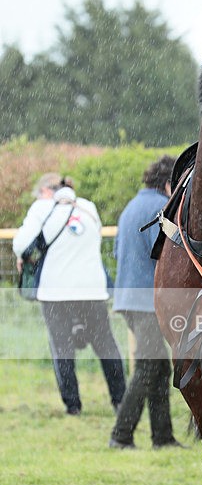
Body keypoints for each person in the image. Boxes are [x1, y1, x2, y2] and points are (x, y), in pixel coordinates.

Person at [13, 173, 126, 415]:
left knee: (62, 349)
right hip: (92, 289)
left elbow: (20, 245)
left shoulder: (41, 208)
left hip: (56, 291)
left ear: (46, 190)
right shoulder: (87, 207)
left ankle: (73, 406)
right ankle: (120, 400)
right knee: (106, 345)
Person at [109, 155, 184, 450]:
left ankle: (162, 437)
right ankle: (121, 435)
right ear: (168, 184)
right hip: (147, 301)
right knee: (146, 367)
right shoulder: (159, 208)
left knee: (158, 368)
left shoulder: (132, 206)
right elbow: (169, 253)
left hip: (128, 298)